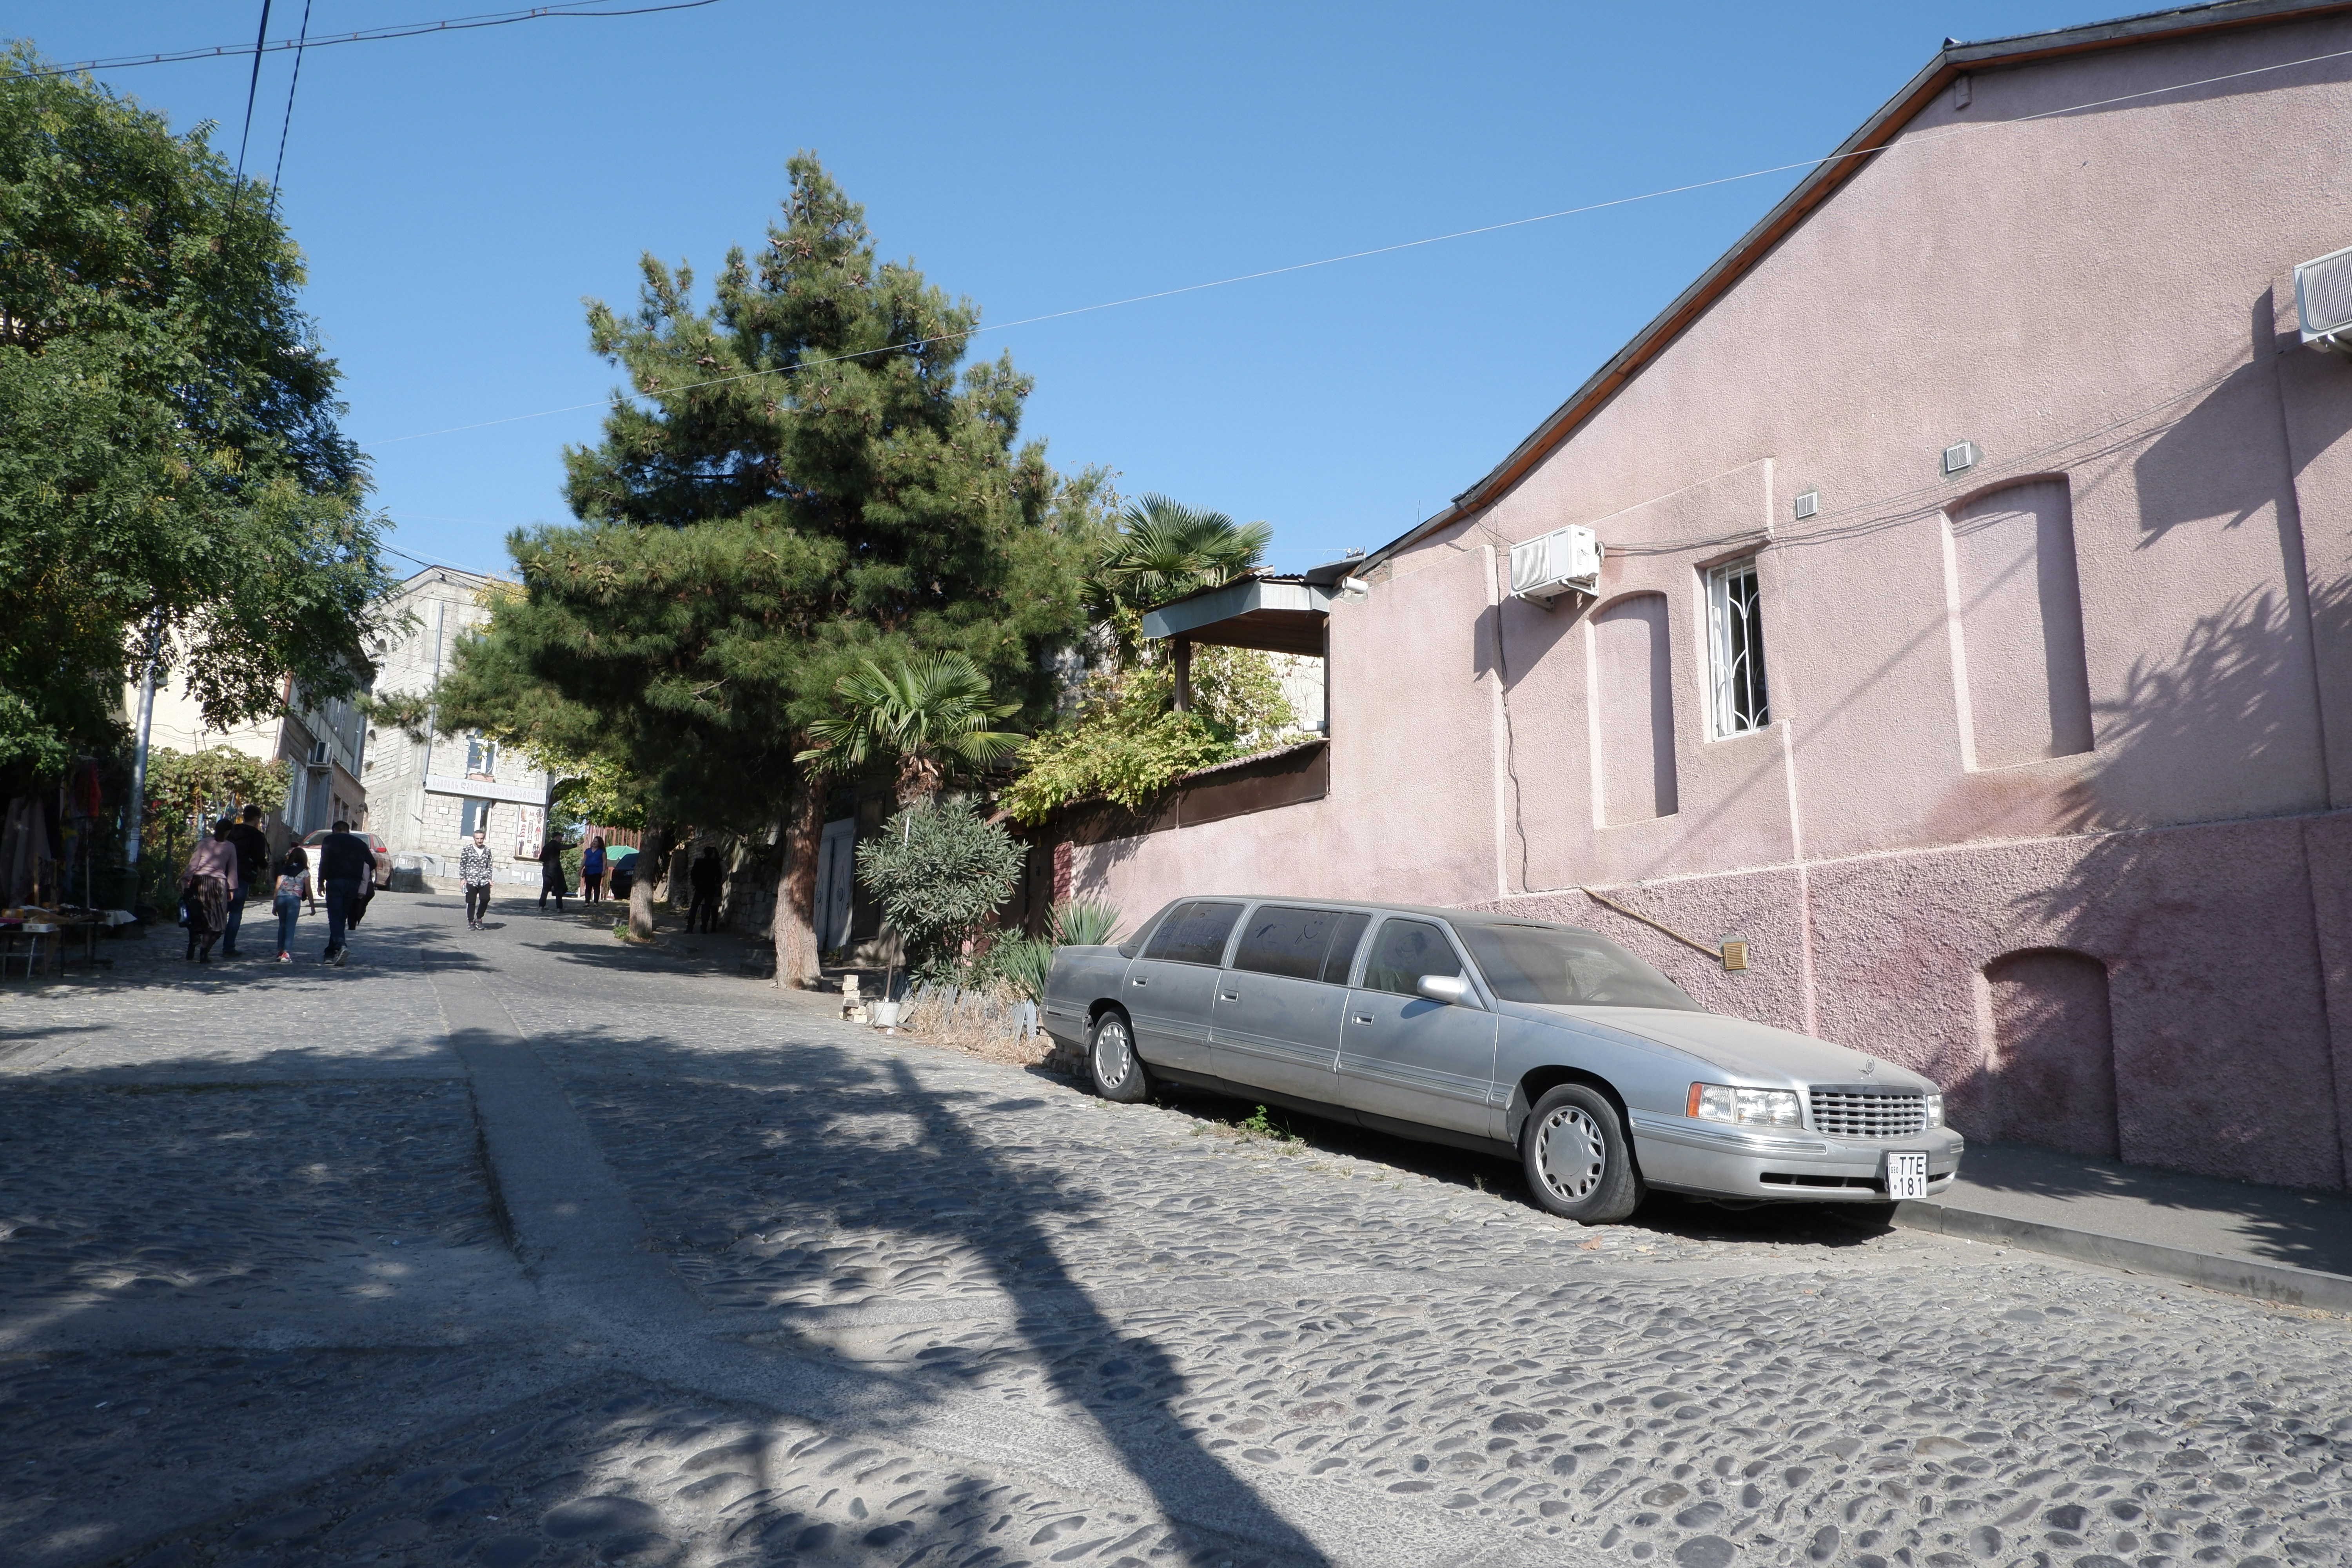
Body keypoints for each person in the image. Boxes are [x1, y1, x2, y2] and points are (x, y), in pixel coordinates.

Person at [316, 818, 374, 965]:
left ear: (335, 830)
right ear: (348, 831)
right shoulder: (359, 843)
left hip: (335, 882)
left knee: (335, 917)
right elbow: (372, 863)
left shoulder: (330, 840)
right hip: (353, 884)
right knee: (341, 917)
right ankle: (331, 953)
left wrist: (321, 882)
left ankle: (341, 945)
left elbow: (324, 862)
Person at [181, 818, 239, 963]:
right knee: (216, 921)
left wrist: (187, 879)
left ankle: (192, 945)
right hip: (218, 884)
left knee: (197, 914)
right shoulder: (230, 847)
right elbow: (232, 869)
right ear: (228, 831)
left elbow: (194, 863)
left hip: (200, 882)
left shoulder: (204, 843)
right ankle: (204, 952)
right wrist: (231, 888)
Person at [219, 804, 272, 959]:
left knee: (219, 910)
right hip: (243, 875)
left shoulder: (232, 831)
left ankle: (207, 942)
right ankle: (228, 947)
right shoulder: (256, 835)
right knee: (236, 912)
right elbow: (259, 856)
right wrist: (264, 866)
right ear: (256, 819)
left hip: (223, 873)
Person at [271, 846, 315, 962]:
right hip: (294, 899)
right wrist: (312, 906)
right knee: (291, 926)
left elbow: (277, 888)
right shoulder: (305, 872)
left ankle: (280, 951)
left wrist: (275, 905)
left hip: (281, 898)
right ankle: (286, 953)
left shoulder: (283, 870)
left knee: (282, 925)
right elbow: (308, 890)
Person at [459, 828, 494, 929]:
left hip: (484, 880)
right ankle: (471, 921)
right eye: (477, 839)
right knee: (471, 901)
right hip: (471, 879)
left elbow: (489, 865)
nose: (480, 841)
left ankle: (479, 919)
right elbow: (463, 865)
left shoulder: (487, 850)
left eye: (481, 839)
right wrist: (463, 879)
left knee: (486, 898)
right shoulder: (467, 849)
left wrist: (489, 878)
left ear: (484, 839)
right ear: (474, 838)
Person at [687, 845, 724, 934]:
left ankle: (690, 927)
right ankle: (704, 928)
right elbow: (719, 876)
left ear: (704, 853)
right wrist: (716, 884)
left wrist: (696, 884)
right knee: (707, 908)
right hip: (710, 888)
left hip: (700, 888)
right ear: (712, 854)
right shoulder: (715, 863)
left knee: (694, 908)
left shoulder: (699, 862)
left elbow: (693, 874)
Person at [538, 838, 570, 911]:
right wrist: (576, 844)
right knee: (559, 889)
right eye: (560, 839)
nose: (561, 840)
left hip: (546, 870)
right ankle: (559, 908)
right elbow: (565, 847)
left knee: (545, 889)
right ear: (557, 838)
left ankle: (541, 906)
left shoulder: (546, 846)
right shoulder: (556, 845)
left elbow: (541, 859)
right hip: (556, 870)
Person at [581, 837, 606, 904]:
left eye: (596, 842)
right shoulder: (588, 851)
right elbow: (584, 860)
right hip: (588, 871)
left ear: (599, 844)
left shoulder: (602, 852)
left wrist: (604, 871)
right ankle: (587, 902)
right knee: (588, 887)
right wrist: (580, 869)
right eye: (594, 841)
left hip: (598, 871)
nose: (594, 843)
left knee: (596, 887)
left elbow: (605, 861)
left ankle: (596, 902)